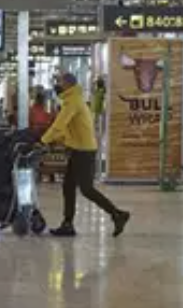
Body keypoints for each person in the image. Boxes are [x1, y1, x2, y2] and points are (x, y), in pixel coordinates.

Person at [42, 72, 130, 238]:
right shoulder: (72, 99)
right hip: (77, 149)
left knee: (87, 189)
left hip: (84, 151)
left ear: (67, 84)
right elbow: (69, 128)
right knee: (68, 186)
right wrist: (56, 140)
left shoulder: (73, 102)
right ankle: (67, 224)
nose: (57, 84)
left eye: (59, 81)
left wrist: (43, 140)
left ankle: (117, 214)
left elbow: (59, 125)